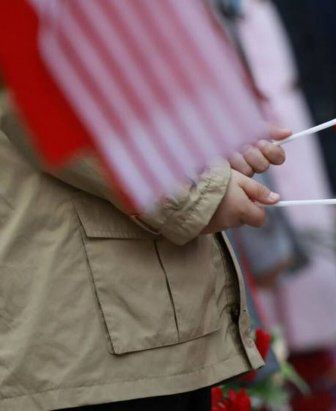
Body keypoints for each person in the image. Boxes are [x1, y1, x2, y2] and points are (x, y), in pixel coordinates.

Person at [0, 76, 291, 409]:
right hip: (88, 339)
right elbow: (27, 87)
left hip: (128, 325)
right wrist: (194, 189)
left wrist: (207, 136)